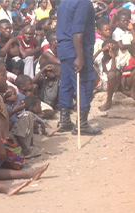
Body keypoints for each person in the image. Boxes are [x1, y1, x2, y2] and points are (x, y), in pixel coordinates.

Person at [56, 0, 101, 135]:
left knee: (66, 84)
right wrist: (80, 56)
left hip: (64, 48)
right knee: (84, 84)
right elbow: (77, 32)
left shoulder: (64, 2)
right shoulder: (83, 3)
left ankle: (64, 120)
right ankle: (82, 124)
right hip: (77, 48)